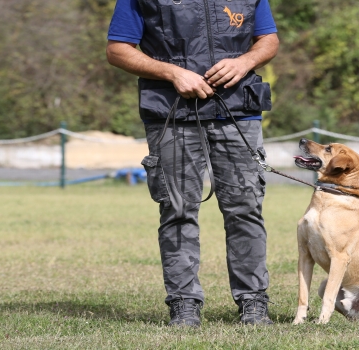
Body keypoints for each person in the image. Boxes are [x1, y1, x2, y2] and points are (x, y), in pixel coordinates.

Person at [105, 0, 279, 328]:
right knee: (177, 210)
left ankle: (253, 302)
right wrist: (172, 72)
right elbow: (117, 49)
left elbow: (268, 39)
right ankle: (184, 304)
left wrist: (244, 63)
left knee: (245, 208)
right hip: (171, 112)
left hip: (238, 110)